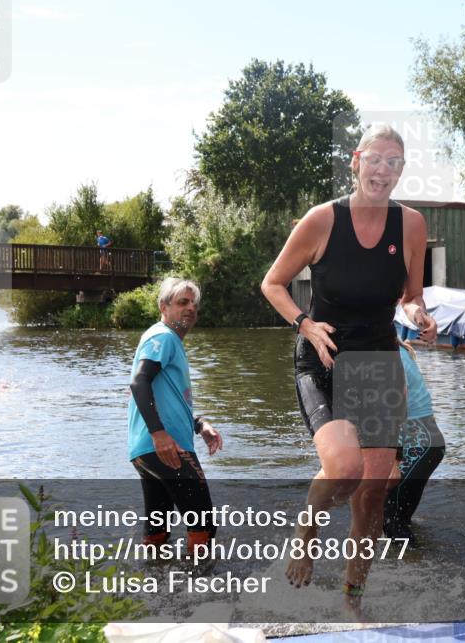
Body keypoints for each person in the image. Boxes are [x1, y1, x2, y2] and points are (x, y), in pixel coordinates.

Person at [260, 123, 438, 616]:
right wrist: (304, 323)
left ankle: (353, 600)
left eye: (394, 163)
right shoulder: (322, 220)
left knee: (372, 497)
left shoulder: (412, 225)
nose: (383, 170)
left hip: (379, 361)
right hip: (325, 354)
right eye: (375, 159)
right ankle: (307, 530)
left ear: (401, 171)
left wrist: (420, 316)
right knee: (343, 466)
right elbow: (273, 283)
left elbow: (411, 296)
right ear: (356, 160)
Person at [128, 277, 222, 555]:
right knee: (204, 524)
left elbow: (166, 398)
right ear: (163, 307)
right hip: (165, 448)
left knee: (158, 531)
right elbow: (139, 383)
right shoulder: (163, 336)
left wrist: (199, 424)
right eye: (182, 302)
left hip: (146, 451)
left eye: (193, 303)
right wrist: (159, 434)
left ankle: (151, 588)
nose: (191, 308)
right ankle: (200, 592)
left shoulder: (168, 341)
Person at [383, 340, 445, 544]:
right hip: (427, 442)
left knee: (389, 518)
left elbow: (395, 407)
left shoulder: (386, 355)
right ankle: (415, 562)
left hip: (417, 445)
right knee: (401, 520)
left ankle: (414, 571)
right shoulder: (394, 347)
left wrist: (394, 461)